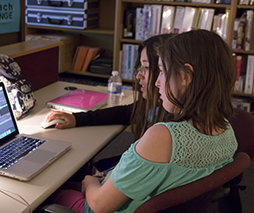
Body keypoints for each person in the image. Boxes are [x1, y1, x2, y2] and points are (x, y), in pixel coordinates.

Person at [49, 30, 238, 213]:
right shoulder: (227, 130)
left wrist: (89, 181)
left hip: (102, 205)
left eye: (162, 72)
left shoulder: (163, 136)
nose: (157, 82)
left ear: (185, 76)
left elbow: (99, 205)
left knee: (51, 193)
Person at [45, 34, 174, 142]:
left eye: (146, 67)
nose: (139, 75)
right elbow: (125, 113)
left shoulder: (172, 123)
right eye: (140, 67)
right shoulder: (151, 105)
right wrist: (76, 119)